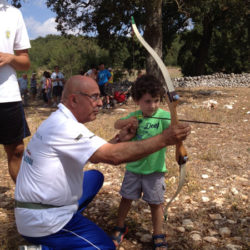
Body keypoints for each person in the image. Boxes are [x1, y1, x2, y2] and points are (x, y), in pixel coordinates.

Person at [15, 75, 191, 249]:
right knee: (105, 247)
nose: (100, 103)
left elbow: (93, 156)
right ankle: (44, 247)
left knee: (95, 177)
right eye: (94, 97)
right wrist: (165, 139)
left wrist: (119, 139)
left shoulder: (59, 120)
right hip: (43, 220)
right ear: (74, 100)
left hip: (35, 206)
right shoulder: (65, 127)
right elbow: (113, 157)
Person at [112, 74, 172, 248]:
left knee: (156, 203)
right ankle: (120, 226)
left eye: (156, 100)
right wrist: (126, 122)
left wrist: (178, 128)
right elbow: (117, 124)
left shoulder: (164, 116)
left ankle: (158, 233)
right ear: (137, 100)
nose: (152, 106)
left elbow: (174, 132)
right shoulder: (135, 115)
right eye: (147, 101)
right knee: (126, 198)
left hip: (155, 170)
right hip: (134, 168)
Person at [0, 0, 31, 182]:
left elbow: (25, 62)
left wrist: (11, 58)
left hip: (8, 95)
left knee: (17, 150)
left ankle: (24, 201)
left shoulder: (13, 13)